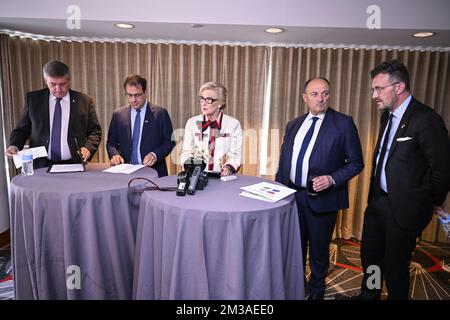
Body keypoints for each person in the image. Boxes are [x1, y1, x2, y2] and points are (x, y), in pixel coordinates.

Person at [353, 60, 450, 300]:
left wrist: (429, 203)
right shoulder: (387, 116)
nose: (374, 95)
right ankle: (370, 295)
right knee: (371, 257)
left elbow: (443, 169)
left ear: (399, 87)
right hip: (379, 203)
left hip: (405, 209)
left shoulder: (427, 119)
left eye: (379, 89)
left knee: (396, 266)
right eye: (372, 89)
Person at [276, 77, 364, 300]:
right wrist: (278, 190)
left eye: (325, 93)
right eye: (315, 94)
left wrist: (332, 179)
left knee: (318, 253)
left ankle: (316, 293)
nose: (321, 98)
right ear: (305, 98)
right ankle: (297, 289)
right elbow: (285, 160)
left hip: (323, 199)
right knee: (294, 249)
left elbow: (356, 162)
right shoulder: (294, 124)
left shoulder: (343, 123)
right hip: (292, 198)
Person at [6, 60, 102, 168]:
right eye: (53, 84)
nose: (58, 89)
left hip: (73, 163)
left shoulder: (84, 101)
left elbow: (95, 131)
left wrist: (88, 148)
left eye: (62, 84)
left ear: (69, 80)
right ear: (45, 80)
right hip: (42, 164)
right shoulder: (33, 100)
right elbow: (22, 129)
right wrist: (14, 145)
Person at [107, 74, 175, 177]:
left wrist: (155, 155)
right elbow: (111, 143)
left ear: (145, 92)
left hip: (154, 172)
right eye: (129, 95)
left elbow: (169, 142)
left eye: (137, 95)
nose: (133, 100)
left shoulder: (160, 113)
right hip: (125, 173)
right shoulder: (118, 115)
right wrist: (115, 154)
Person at [180, 82, 242, 176]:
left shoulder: (233, 124)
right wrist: (188, 167)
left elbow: (236, 155)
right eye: (202, 99)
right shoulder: (192, 122)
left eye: (209, 99)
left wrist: (228, 168)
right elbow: (186, 152)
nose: (203, 103)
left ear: (220, 103)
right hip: (196, 177)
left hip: (222, 179)